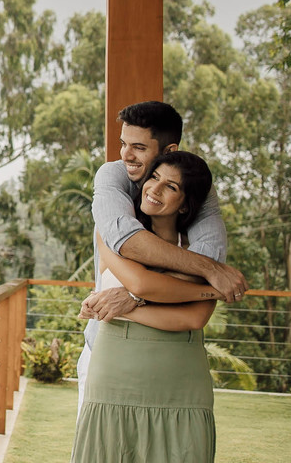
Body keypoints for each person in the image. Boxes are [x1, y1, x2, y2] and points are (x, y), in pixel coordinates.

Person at [75, 102, 247, 412]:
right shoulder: (112, 175)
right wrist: (208, 281)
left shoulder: (198, 190)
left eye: (139, 147)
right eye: (124, 144)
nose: (126, 154)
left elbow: (204, 268)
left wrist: (132, 298)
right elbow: (129, 244)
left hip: (172, 361)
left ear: (169, 149)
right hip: (105, 348)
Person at [71, 151, 226, 462]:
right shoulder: (112, 234)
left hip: (182, 383)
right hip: (116, 376)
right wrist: (205, 290)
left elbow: (195, 319)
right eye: (153, 178)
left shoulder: (198, 252)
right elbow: (141, 284)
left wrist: (125, 306)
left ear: (185, 203)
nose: (154, 189)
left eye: (171, 186)